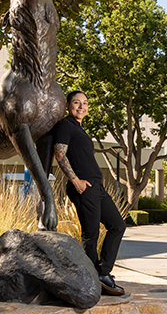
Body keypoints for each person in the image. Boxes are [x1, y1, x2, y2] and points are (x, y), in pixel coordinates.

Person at [53, 90, 126, 296]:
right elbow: (60, 154)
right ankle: (91, 279)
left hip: (97, 187)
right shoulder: (65, 125)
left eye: (85, 103)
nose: (81, 107)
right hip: (83, 187)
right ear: (68, 105)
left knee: (117, 225)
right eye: (76, 103)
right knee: (91, 233)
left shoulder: (79, 129)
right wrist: (75, 181)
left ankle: (101, 273)